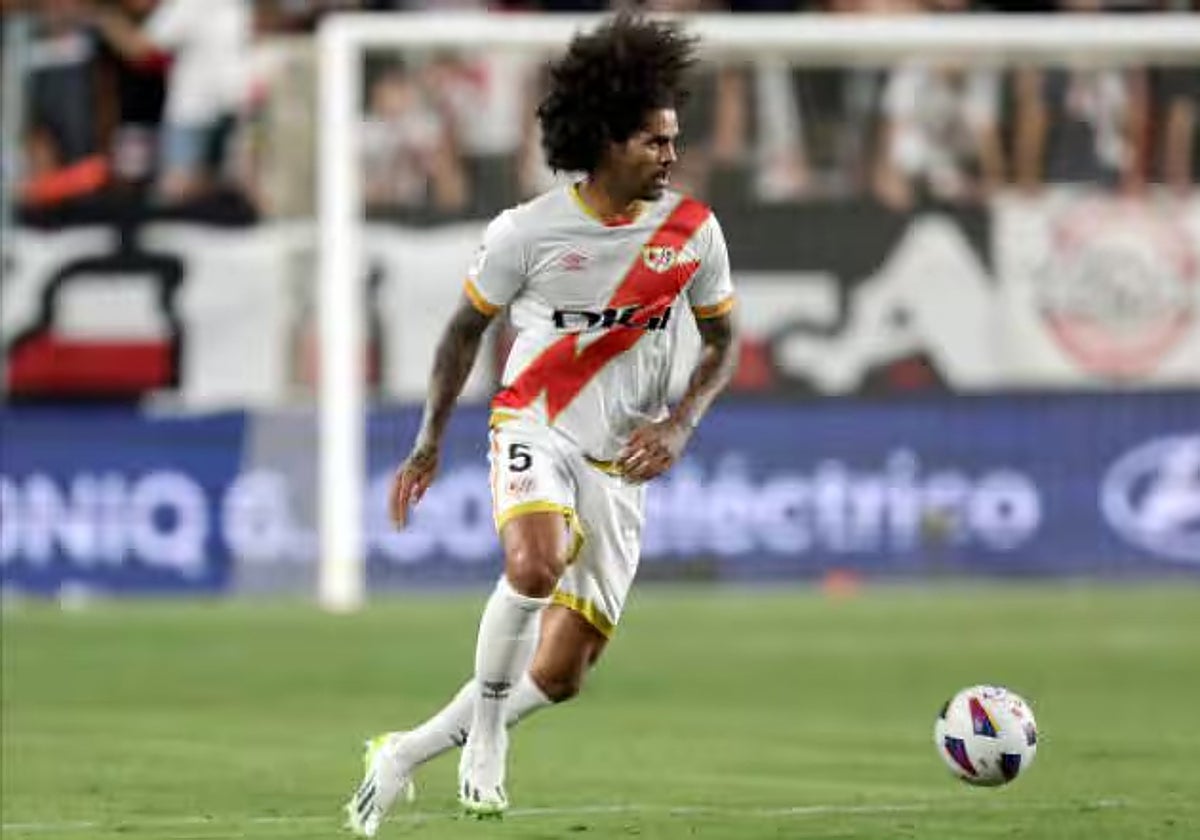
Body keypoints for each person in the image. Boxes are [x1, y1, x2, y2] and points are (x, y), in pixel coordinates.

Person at [344, 13, 738, 835]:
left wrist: (680, 425)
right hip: (535, 422)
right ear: (606, 141)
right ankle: (487, 739)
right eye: (655, 141)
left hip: (620, 460)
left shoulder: (694, 232)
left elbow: (723, 343)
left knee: (561, 675)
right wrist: (428, 442)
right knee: (533, 564)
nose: (671, 155)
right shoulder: (524, 232)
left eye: (674, 140)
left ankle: (404, 753)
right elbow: (463, 333)